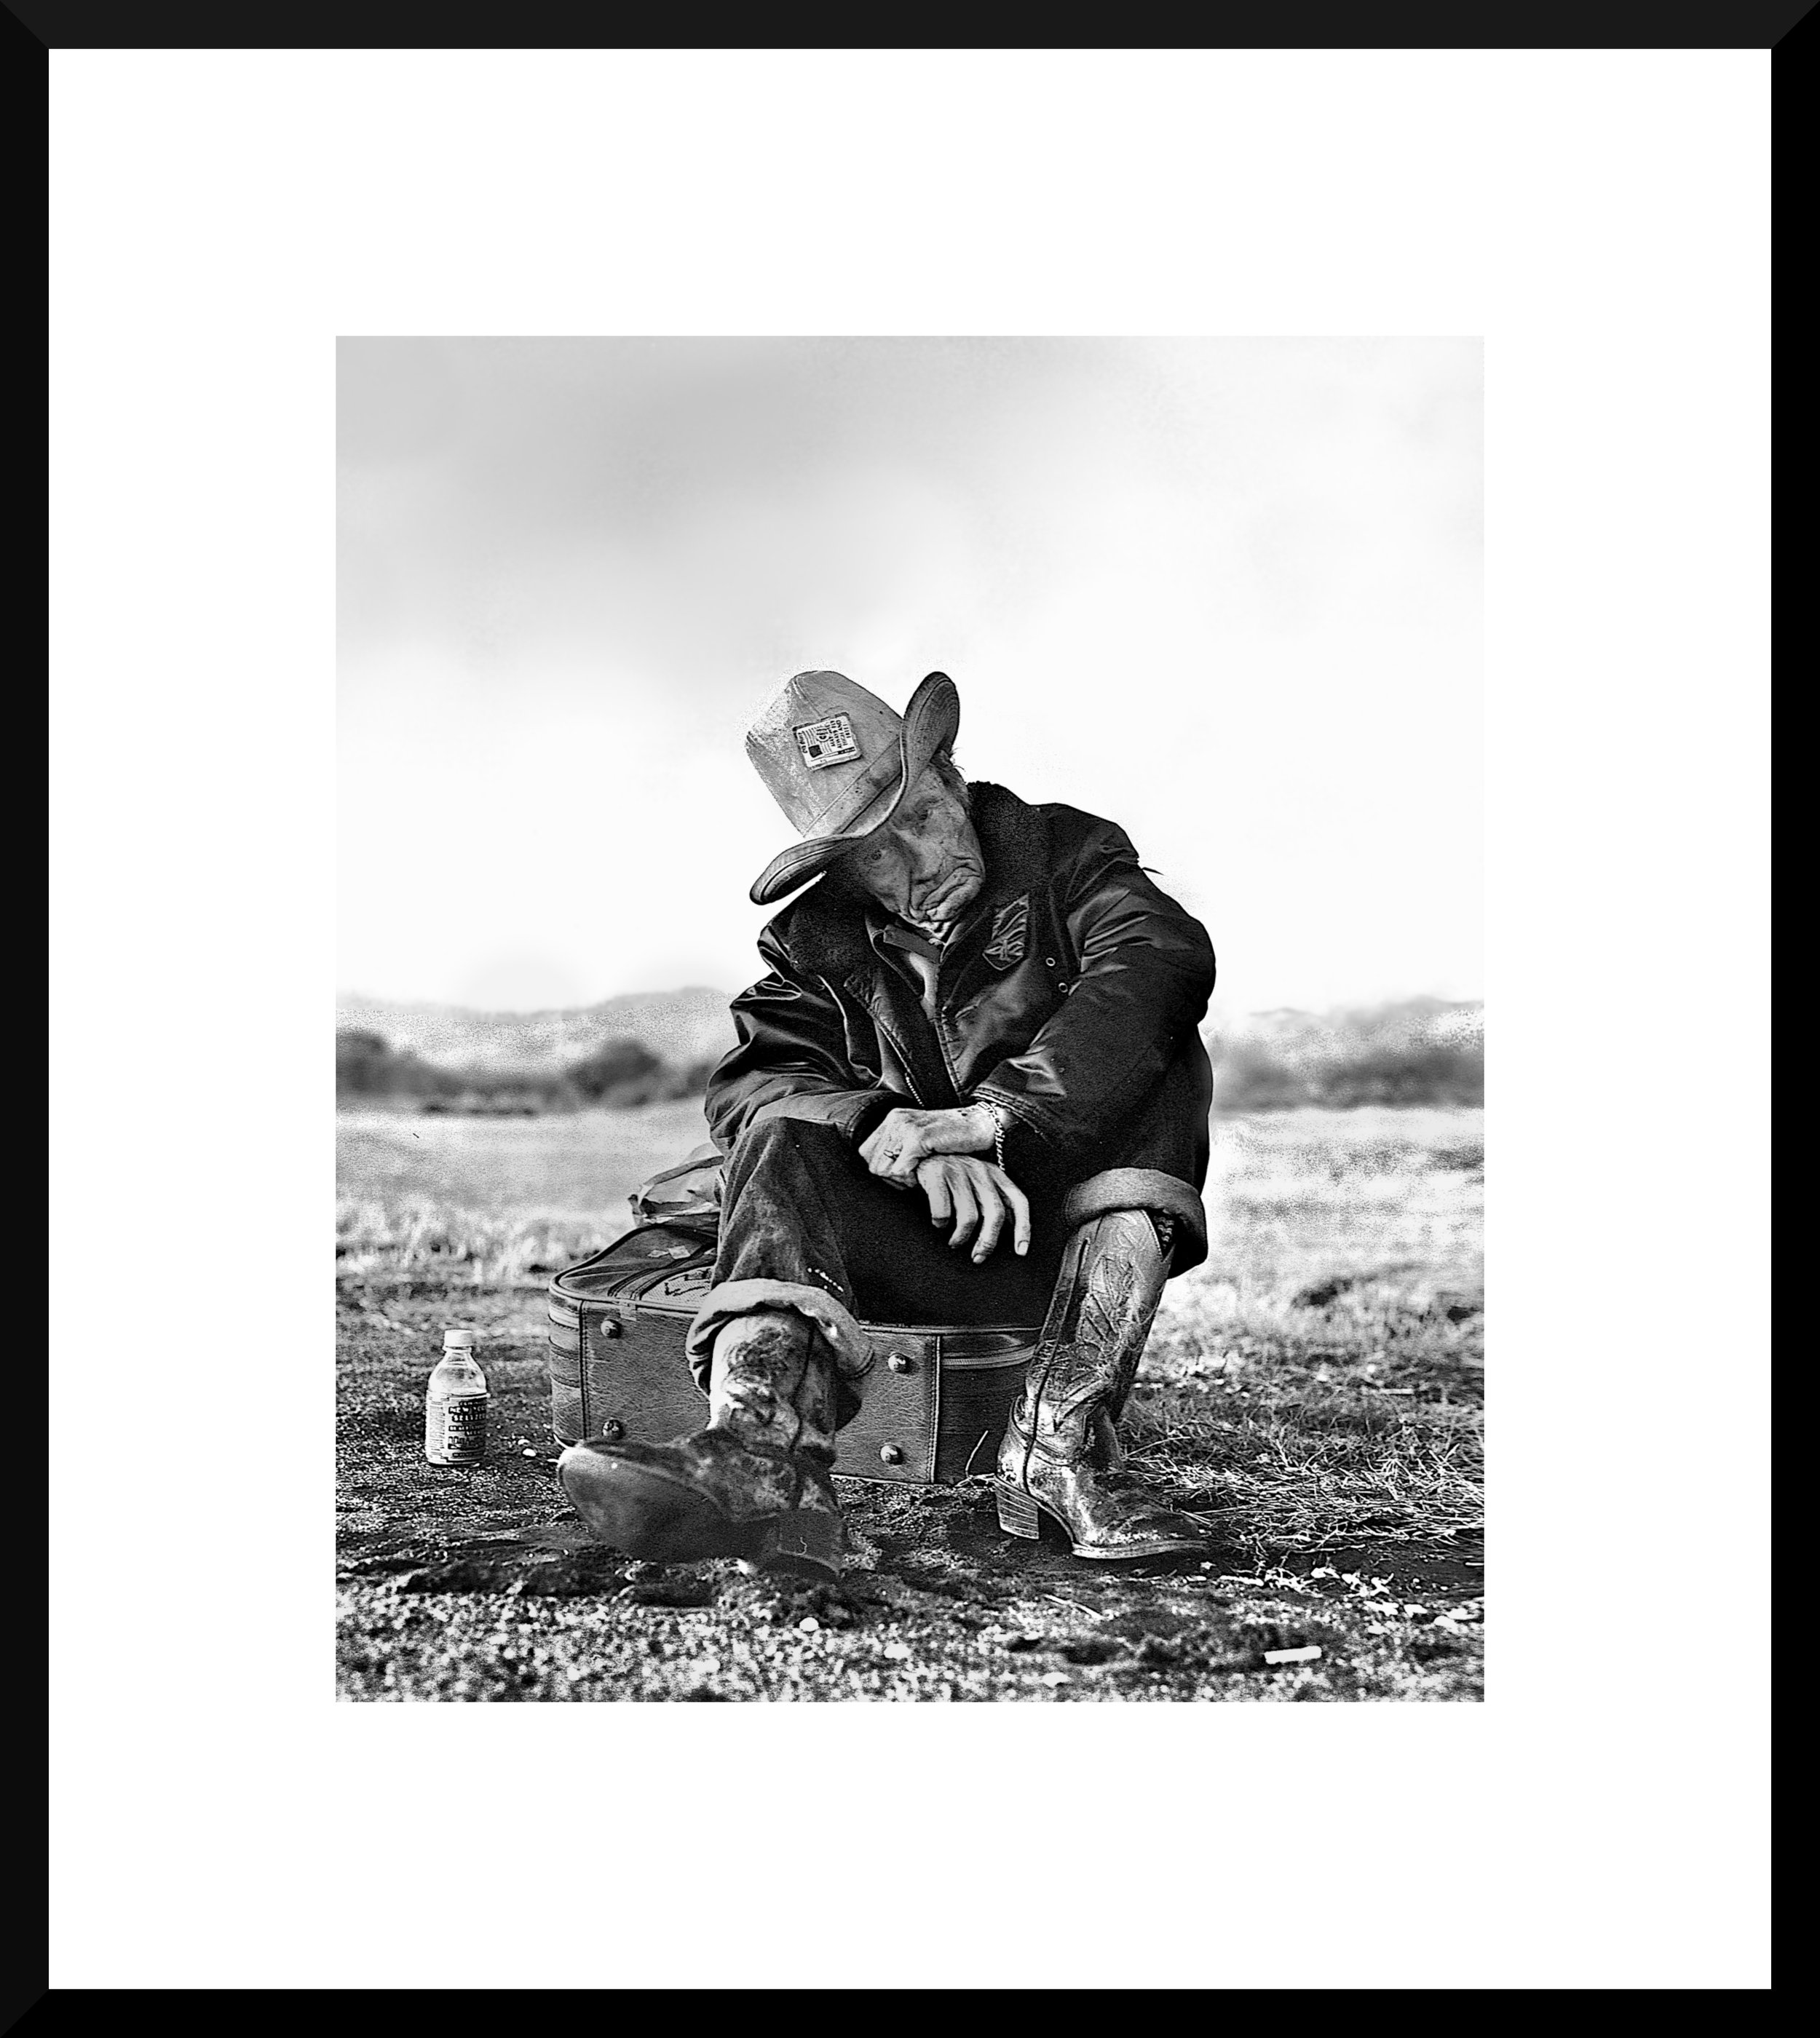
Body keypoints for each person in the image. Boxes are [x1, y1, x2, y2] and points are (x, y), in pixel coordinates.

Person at [559, 668, 1219, 1580]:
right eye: (875, 854)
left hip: (1070, 1255)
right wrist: (893, 1130)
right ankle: (761, 1454)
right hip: (925, 1252)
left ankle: (1058, 1443)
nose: (916, 862)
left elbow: (1158, 958)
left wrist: (994, 1119)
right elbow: (751, 1085)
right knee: (781, 1132)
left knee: (1157, 1056)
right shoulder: (817, 947)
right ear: (843, 872)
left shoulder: (1068, 861)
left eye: (921, 817)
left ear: (952, 776)